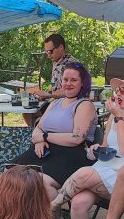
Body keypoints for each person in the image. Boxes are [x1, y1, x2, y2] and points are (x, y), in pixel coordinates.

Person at [49, 73, 124, 219]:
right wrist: (97, 149)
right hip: (108, 165)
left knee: (84, 174)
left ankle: (52, 207)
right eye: (118, 90)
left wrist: (119, 118)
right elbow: (107, 146)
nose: (118, 94)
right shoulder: (116, 116)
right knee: (79, 202)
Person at [10, 65, 97, 201]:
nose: (68, 83)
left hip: (72, 153)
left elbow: (77, 138)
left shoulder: (85, 105)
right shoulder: (55, 103)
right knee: (11, 172)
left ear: (82, 83)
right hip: (45, 149)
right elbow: (38, 128)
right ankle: (21, 215)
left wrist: (45, 136)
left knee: (41, 182)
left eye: (73, 80)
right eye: (65, 79)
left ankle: (54, 218)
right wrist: (39, 140)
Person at [29, 33, 81, 101]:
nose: (48, 55)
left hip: (69, 106)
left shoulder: (72, 65)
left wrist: (48, 94)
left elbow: (70, 91)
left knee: (30, 110)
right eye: (46, 52)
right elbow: (56, 87)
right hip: (57, 103)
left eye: (50, 51)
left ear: (61, 47)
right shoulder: (57, 62)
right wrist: (44, 94)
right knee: (29, 108)